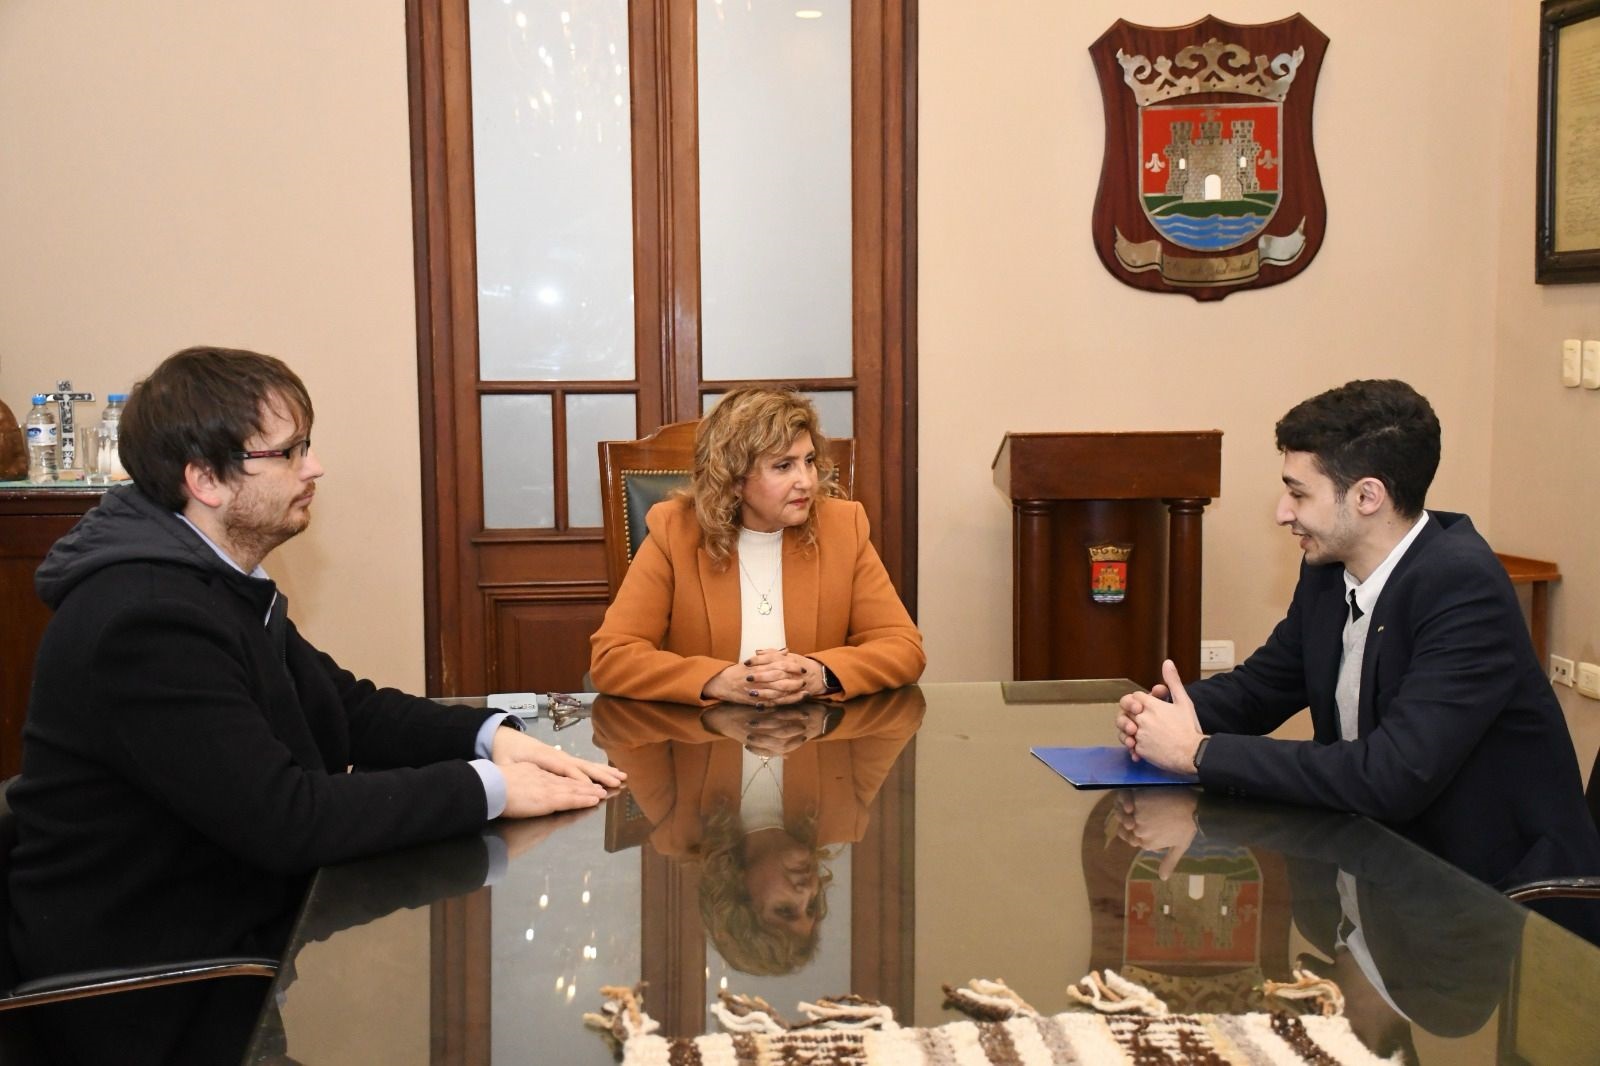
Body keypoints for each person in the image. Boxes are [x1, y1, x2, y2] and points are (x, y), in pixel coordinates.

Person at [7, 346, 624, 1064]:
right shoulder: (145, 619)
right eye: (290, 451)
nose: (315, 468)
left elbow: (345, 707)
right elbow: (288, 819)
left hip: (215, 944)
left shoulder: (207, 580)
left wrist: (492, 737)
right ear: (205, 480)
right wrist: (489, 788)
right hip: (145, 995)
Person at [1114, 379, 1600, 924]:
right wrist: (1164, 713)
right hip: (1383, 874)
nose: (1282, 512)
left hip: (1499, 907)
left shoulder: (1464, 588)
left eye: (1299, 494)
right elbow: (1264, 686)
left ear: (1368, 497)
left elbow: (1390, 775)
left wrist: (1198, 752)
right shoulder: (1329, 569)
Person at [589, 387, 924, 705]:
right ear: (734, 479)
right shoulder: (675, 529)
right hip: (703, 738)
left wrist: (819, 674)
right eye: (784, 466)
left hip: (816, 738)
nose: (806, 481)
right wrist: (716, 680)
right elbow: (613, 658)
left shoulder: (842, 526)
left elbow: (903, 648)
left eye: (809, 461)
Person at [590, 688, 924, 974]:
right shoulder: (842, 815)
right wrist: (821, 690)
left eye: (785, 909)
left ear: (738, 893)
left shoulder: (680, 826)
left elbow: (619, 730)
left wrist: (711, 710)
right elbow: (903, 718)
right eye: (811, 907)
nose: (807, 891)